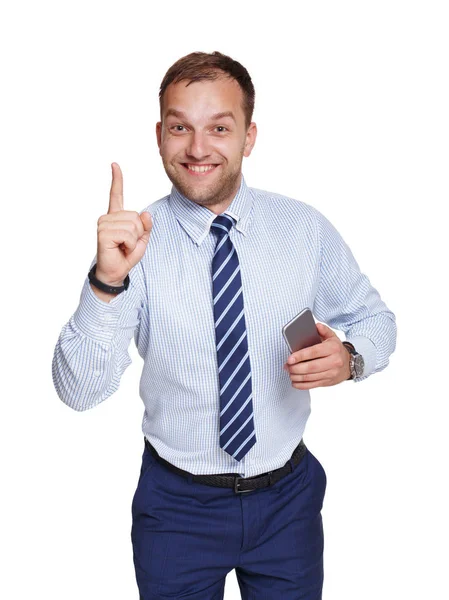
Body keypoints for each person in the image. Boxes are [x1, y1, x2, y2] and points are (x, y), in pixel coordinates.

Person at [52, 50, 397, 599]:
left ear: (249, 137)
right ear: (159, 135)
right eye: (180, 127)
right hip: (176, 509)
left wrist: (351, 358)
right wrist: (105, 281)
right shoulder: (132, 247)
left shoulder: (302, 229)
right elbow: (79, 391)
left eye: (219, 127)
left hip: (289, 502)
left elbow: (375, 319)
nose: (197, 147)